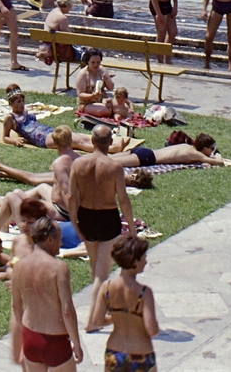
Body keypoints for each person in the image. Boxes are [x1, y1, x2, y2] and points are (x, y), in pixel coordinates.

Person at [69, 124, 140, 331]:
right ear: (110, 143)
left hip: (85, 216)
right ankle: (93, 319)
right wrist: (132, 228)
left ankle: (103, 307)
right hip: (107, 218)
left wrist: (74, 221)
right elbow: (124, 200)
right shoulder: (114, 167)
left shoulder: (78, 164)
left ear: (92, 141)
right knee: (102, 272)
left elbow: (71, 196)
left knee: (95, 267)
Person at [10, 215, 84, 372]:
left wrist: (24, 338)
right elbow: (67, 310)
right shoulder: (58, 268)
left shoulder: (19, 266)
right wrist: (76, 343)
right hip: (55, 340)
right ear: (50, 240)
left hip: (31, 337)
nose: (61, 244)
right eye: (59, 239)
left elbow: (16, 305)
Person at [100, 235, 160, 372]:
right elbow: (152, 330)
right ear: (134, 261)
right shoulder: (144, 292)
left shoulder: (106, 287)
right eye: (143, 257)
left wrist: (117, 316)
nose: (145, 261)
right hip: (141, 351)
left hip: (115, 350)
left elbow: (97, 320)